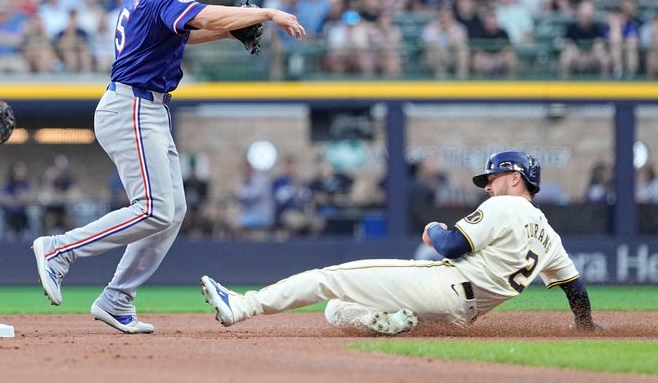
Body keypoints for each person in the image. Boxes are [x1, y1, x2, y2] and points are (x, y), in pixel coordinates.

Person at [32, 0, 305, 334]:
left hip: (145, 107)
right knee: (154, 209)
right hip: (133, 108)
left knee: (171, 211)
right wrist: (266, 13)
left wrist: (230, 32)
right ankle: (59, 250)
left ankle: (117, 298)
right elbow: (203, 17)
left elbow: (186, 31)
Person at [200, 151, 601, 336]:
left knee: (327, 278)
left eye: (493, 178)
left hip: (443, 284)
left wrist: (433, 229)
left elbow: (450, 247)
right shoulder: (549, 233)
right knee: (338, 310)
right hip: (465, 313)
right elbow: (575, 288)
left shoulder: (504, 206)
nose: (489, 185)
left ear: (514, 178)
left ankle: (242, 306)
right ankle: (388, 323)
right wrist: (585, 325)